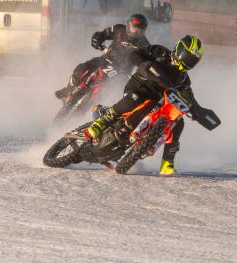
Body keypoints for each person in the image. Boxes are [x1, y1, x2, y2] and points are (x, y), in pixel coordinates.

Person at [85, 35, 205, 175]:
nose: (188, 61)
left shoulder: (183, 78)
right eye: (187, 56)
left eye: (192, 60)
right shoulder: (160, 52)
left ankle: (167, 163)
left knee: (179, 123)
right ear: (180, 49)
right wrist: (144, 64)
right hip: (138, 89)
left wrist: (197, 110)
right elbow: (135, 54)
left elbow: (189, 97)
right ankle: (101, 122)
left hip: (156, 102)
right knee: (134, 100)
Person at [55, 13, 150, 100]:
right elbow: (103, 34)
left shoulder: (145, 45)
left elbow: (146, 64)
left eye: (139, 31)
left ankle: (98, 109)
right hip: (105, 59)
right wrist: (97, 39)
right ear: (128, 26)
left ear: (144, 31)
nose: (135, 32)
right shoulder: (119, 29)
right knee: (80, 68)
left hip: (121, 73)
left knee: (113, 95)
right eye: (133, 28)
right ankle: (68, 89)